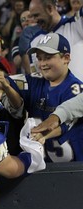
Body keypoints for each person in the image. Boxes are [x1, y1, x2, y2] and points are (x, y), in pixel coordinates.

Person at [7, 32, 83, 162]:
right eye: (39, 58)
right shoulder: (34, 80)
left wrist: (44, 135)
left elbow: (66, 126)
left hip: (71, 168)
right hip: (39, 165)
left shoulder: (76, 90)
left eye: (48, 58)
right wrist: (1, 85)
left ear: (66, 58)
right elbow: (10, 81)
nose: (42, 63)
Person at [21, 0, 83, 80]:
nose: (35, 20)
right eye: (32, 16)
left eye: (36, 15)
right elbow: (37, 78)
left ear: (50, 8)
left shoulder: (76, 25)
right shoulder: (34, 42)